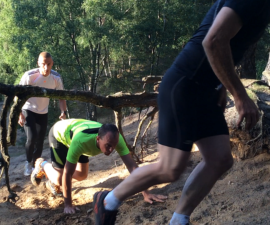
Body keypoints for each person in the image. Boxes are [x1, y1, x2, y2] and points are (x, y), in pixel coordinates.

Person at [92, 0, 270, 224]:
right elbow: (213, 41)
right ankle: (106, 202)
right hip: (185, 85)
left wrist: (223, 85)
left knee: (220, 159)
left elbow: (229, 46)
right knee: (170, 168)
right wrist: (240, 96)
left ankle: (179, 220)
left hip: (207, 90)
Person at [30, 118, 166, 214]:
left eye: (114, 146)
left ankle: (50, 179)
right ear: (98, 139)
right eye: (108, 146)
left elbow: (133, 167)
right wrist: (68, 204)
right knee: (61, 179)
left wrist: (146, 193)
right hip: (59, 135)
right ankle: (42, 164)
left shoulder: (114, 140)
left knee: (82, 175)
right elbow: (68, 173)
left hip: (78, 134)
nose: (111, 149)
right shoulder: (81, 142)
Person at [18, 52, 67, 176]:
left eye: (48, 64)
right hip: (28, 108)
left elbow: (62, 97)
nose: (46, 67)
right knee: (32, 136)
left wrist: (63, 112)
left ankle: (36, 165)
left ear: (52, 64)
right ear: (38, 63)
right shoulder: (29, 76)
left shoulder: (56, 77)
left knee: (40, 140)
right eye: (43, 64)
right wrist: (19, 113)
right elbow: (17, 95)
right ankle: (28, 163)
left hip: (43, 111)